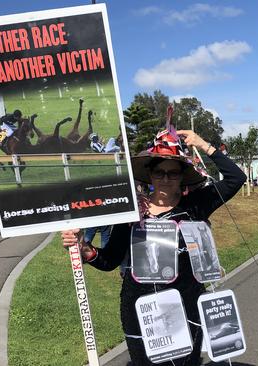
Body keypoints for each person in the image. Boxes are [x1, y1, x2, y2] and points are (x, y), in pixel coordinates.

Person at [62, 129, 246, 365]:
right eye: (160, 172)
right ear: (150, 174)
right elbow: (110, 259)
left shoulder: (196, 206)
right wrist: (86, 250)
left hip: (185, 307)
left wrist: (202, 144)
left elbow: (236, 178)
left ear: (182, 176)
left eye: (173, 173)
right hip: (139, 310)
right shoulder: (132, 212)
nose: (166, 179)